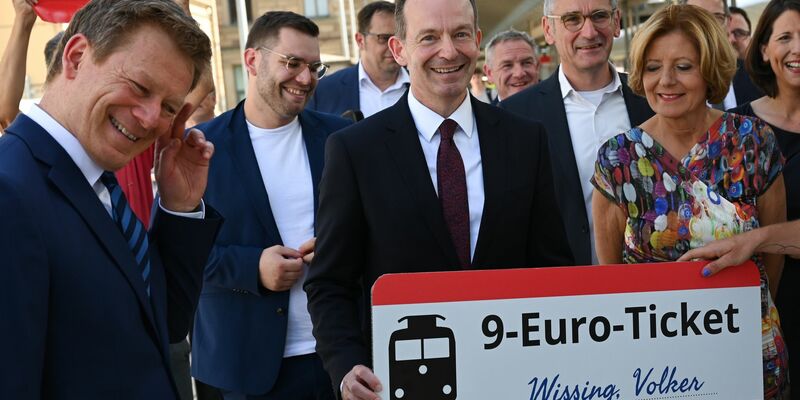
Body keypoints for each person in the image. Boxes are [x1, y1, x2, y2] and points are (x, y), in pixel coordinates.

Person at [304, 0, 574, 398]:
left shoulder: (525, 140)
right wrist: (346, 366)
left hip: (514, 378)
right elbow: (330, 281)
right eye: (429, 37)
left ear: (477, 41)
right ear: (400, 50)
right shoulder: (355, 150)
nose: (448, 51)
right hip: (405, 378)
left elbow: (551, 268)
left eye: (460, 34)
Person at [0, 0, 223, 398]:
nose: (152, 118)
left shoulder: (95, 176)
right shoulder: (10, 191)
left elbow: (161, 322)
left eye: (170, 107)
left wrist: (180, 206)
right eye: (140, 87)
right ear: (77, 56)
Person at [591, 5, 788, 398]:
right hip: (653, 364)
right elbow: (610, 274)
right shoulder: (618, 158)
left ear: (710, 69)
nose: (665, 81)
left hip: (747, 350)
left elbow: (774, 255)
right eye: (651, 67)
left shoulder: (751, 140)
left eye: (683, 66)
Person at [191, 11, 349, 400]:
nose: (306, 79)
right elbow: (180, 252)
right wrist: (253, 268)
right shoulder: (201, 148)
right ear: (252, 60)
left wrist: (336, 248)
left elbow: (377, 231)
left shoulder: (342, 139)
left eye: (314, 67)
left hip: (340, 355)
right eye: (292, 63)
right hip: (247, 364)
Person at [501, 0, 654, 266]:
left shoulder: (651, 101)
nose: (589, 32)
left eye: (599, 16)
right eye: (572, 19)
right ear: (549, 30)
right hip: (560, 293)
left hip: (648, 292)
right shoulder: (514, 115)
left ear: (617, 22)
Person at [721, 0, 800, 395]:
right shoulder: (736, 131)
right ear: (764, 49)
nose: (798, 48)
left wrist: (761, 238)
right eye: (786, 37)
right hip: (756, 313)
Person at [307, 1, 408, 118]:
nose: (394, 46)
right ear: (360, 40)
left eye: (400, 38)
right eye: (384, 38)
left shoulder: (423, 85)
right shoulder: (324, 91)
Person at [681, 0, 762, 107]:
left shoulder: (759, 79)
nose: (708, 26)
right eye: (697, 18)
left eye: (716, 18)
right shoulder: (663, 86)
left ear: (728, 23)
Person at [482, 29, 539, 104]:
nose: (519, 73)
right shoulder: (483, 115)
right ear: (489, 73)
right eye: (507, 65)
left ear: (537, 66)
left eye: (526, 63)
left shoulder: (557, 106)